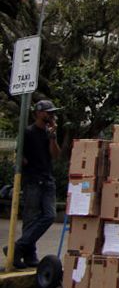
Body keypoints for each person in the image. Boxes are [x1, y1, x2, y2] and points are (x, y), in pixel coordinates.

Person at [6, 100, 61, 268]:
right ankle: (28, 255)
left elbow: (56, 155)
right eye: (48, 112)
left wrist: (52, 137)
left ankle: (16, 248)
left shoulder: (49, 133)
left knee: (49, 215)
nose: (51, 115)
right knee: (31, 219)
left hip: (47, 179)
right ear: (38, 113)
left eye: (52, 113)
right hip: (32, 181)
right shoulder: (28, 132)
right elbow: (20, 156)